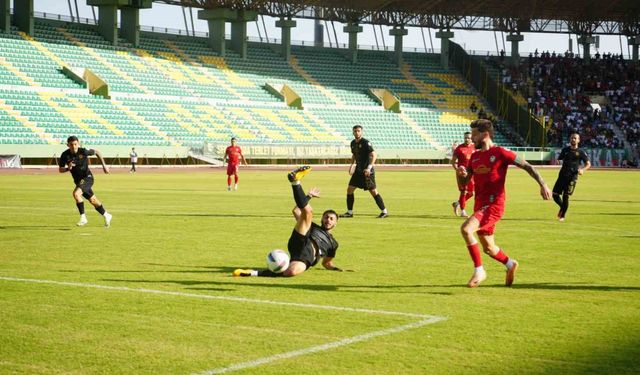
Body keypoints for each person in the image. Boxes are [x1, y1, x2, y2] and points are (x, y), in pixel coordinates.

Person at [457, 119, 551, 288]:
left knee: (466, 229)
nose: (471, 138)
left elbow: (527, 166)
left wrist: (543, 184)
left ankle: (479, 271)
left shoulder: (501, 152)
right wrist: (460, 173)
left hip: (494, 206)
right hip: (480, 205)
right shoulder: (475, 157)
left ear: (485, 134)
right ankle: (510, 264)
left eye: (474, 135)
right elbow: (465, 183)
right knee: (489, 248)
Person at [233, 166, 347, 277]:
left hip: (307, 256)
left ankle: (251, 273)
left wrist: (338, 269)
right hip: (303, 239)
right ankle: (295, 181)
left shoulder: (333, 244)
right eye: (326, 217)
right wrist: (309, 196)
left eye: (331, 219)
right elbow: (296, 211)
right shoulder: (313, 227)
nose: (328, 220)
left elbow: (326, 263)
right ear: (322, 218)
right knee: (308, 212)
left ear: (336, 223)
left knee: (291, 272)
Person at [58, 135, 112, 227]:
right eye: (71, 144)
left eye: (75, 144)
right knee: (93, 200)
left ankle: (83, 217)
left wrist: (104, 165)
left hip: (87, 178)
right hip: (78, 181)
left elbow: (97, 152)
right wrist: (68, 168)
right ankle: (107, 215)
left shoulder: (83, 151)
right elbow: (60, 169)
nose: (74, 146)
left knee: (76, 194)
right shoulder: (65, 155)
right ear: (68, 145)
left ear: (78, 143)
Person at [341, 125, 388, 218]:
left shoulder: (366, 143)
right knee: (349, 190)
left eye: (358, 131)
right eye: (355, 131)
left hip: (367, 172)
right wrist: (351, 165)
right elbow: (354, 155)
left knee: (373, 191)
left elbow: (374, 155)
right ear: (353, 132)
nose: (357, 133)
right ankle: (349, 212)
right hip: (358, 171)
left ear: (361, 132)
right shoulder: (353, 143)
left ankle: (384, 211)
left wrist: (369, 168)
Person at [552, 133, 591, 221]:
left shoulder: (581, 152)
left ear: (578, 140)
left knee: (566, 196)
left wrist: (583, 170)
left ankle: (562, 215)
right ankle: (563, 208)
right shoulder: (565, 150)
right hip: (562, 175)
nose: (573, 139)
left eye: (575, 138)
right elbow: (559, 159)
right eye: (572, 138)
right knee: (555, 195)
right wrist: (557, 161)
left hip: (572, 177)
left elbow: (588, 164)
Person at [451, 132, 476, 217]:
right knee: (463, 191)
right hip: (462, 173)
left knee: (471, 193)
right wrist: (458, 170)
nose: (466, 139)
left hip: (471, 173)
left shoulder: (474, 147)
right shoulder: (459, 148)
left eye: (468, 138)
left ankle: (457, 203)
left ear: (471, 138)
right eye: (465, 138)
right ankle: (463, 211)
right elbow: (453, 162)